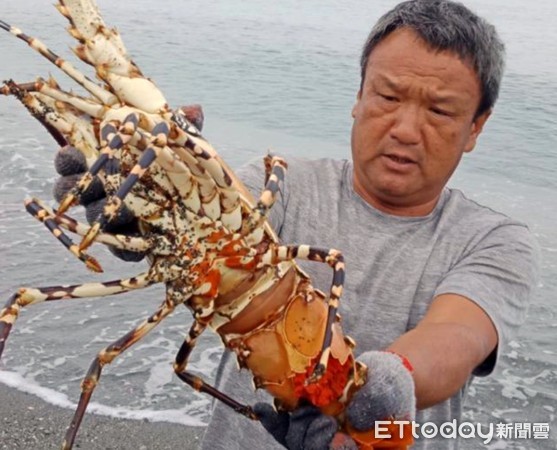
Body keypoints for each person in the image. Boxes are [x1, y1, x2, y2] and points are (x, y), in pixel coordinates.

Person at [54, 1, 539, 448]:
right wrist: (134, 215)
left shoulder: (494, 241)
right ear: (358, 95)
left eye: (438, 110)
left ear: (475, 126)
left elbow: (458, 334)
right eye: (388, 96)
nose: (406, 130)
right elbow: (206, 227)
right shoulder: (277, 180)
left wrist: (391, 380)